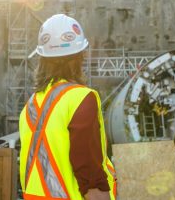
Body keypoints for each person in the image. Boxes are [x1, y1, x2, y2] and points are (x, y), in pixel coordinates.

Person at [19, 14, 117, 200]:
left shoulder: (31, 105)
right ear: (79, 56)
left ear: (42, 58)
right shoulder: (81, 98)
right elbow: (88, 168)